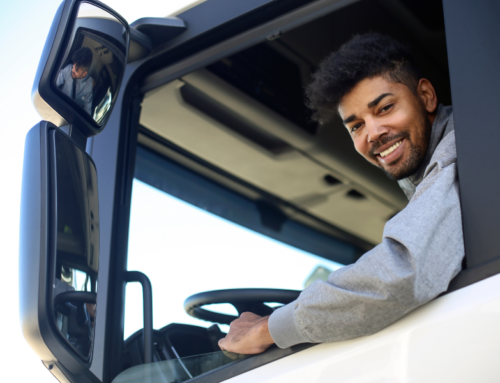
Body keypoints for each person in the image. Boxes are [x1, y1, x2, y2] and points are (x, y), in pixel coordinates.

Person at [218, 33, 464, 354]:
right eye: (356, 126)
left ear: (427, 96)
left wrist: (268, 328)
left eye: (385, 108)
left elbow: (404, 269)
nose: (373, 133)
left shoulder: (462, 149)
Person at [56, 46, 93, 116]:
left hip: (72, 115)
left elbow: (88, 105)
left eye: (76, 69)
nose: (72, 70)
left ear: (84, 74)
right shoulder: (68, 69)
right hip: (59, 107)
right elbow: (56, 81)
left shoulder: (89, 83)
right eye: (73, 66)